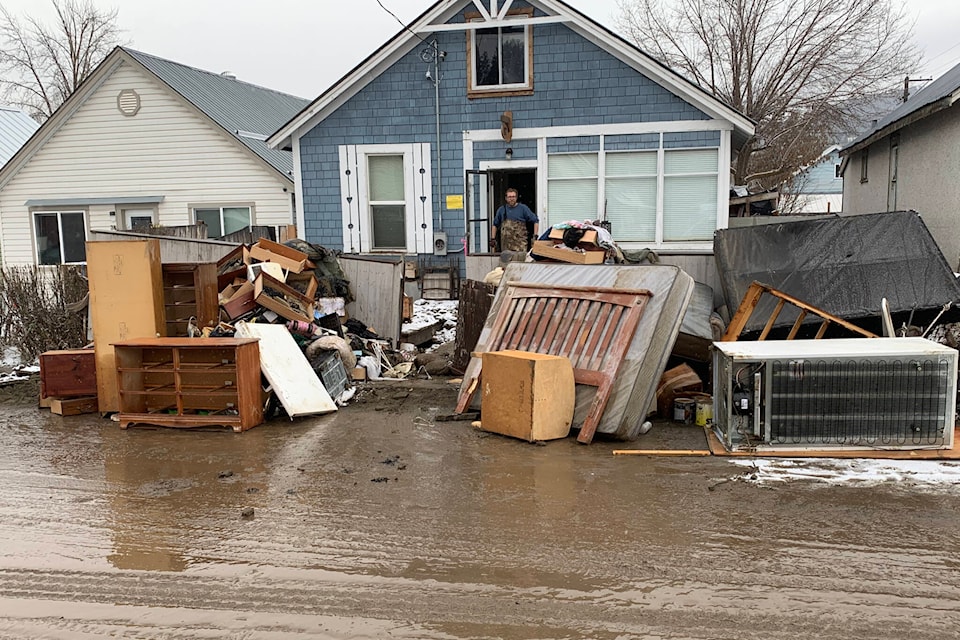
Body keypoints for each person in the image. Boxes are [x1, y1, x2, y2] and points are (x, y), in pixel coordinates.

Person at [490, 188, 538, 252]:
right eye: (509, 197)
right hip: (506, 247)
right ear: (506, 198)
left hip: (520, 246)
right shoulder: (501, 210)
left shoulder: (523, 209)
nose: (511, 199)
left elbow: (535, 221)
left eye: (513, 196)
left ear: (516, 197)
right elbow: (495, 225)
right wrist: (493, 239)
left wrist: (535, 236)